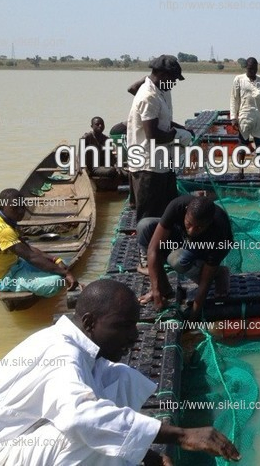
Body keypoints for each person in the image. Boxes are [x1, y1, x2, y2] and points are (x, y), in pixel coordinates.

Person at [0, 279, 240, 465]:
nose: (133, 337)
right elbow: (77, 417)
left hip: (19, 447)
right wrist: (180, 435)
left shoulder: (79, 349)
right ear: (90, 322)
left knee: (119, 379)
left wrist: (145, 454)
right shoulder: (61, 354)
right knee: (78, 435)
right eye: (123, 326)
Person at [138, 195, 233, 316]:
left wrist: (194, 314)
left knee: (177, 261)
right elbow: (153, 248)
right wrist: (156, 291)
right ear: (186, 211)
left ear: (209, 223)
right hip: (183, 237)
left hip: (206, 245)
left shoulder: (218, 230)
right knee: (144, 226)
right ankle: (164, 288)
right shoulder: (178, 205)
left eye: (198, 227)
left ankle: (220, 273)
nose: (192, 230)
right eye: (189, 223)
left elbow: (205, 282)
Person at [126, 55, 192, 220]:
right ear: (162, 75)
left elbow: (165, 121)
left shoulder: (162, 90)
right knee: (149, 217)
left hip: (162, 161)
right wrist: (177, 135)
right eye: (173, 79)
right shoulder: (149, 96)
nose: (174, 83)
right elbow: (153, 135)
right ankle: (147, 245)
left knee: (167, 210)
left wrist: (182, 129)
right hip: (148, 167)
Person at [0, 188, 78, 296]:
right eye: (14, 208)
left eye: (22, 206)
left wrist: (55, 259)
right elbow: (31, 257)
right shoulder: (2, 229)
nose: (20, 211)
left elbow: (29, 248)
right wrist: (65, 273)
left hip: (15, 265)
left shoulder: (9, 222)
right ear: (2, 207)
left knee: (62, 264)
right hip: (1, 278)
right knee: (55, 282)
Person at [230, 57, 260, 178]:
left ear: (257, 68)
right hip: (244, 116)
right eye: (250, 69)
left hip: (259, 118)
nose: (252, 71)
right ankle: (240, 171)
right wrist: (233, 117)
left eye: (254, 69)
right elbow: (234, 99)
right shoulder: (239, 79)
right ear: (246, 68)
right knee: (242, 145)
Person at [81, 116, 126, 190]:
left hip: (105, 166)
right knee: (111, 170)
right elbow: (80, 155)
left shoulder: (106, 139)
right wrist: (82, 168)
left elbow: (112, 157)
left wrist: (117, 166)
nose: (100, 126)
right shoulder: (87, 137)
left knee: (128, 174)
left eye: (102, 124)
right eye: (97, 124)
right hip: (94, 168)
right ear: (92, 126)